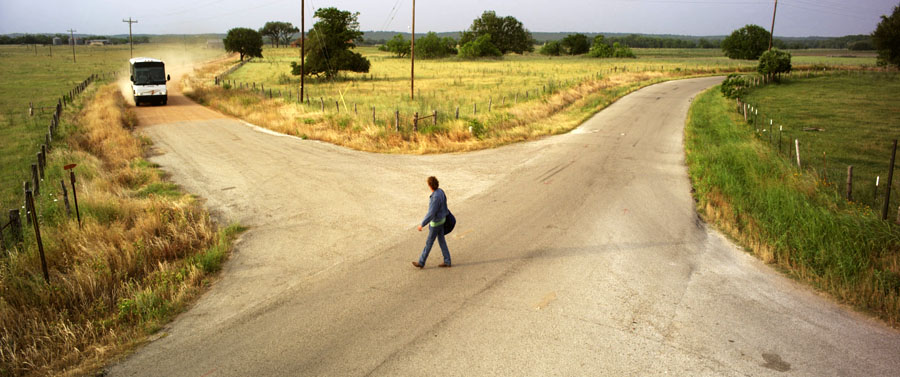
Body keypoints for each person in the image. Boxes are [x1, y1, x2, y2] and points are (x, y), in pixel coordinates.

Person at [412, 176, 451, 268]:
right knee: (441, 241)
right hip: (442, 220)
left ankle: (421, 262)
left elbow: (431, 213)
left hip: (436, 223)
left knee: (429, 243)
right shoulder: (441, 191)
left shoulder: (435, 197)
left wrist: (422, 224)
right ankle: (447, 260)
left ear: (430, 186)